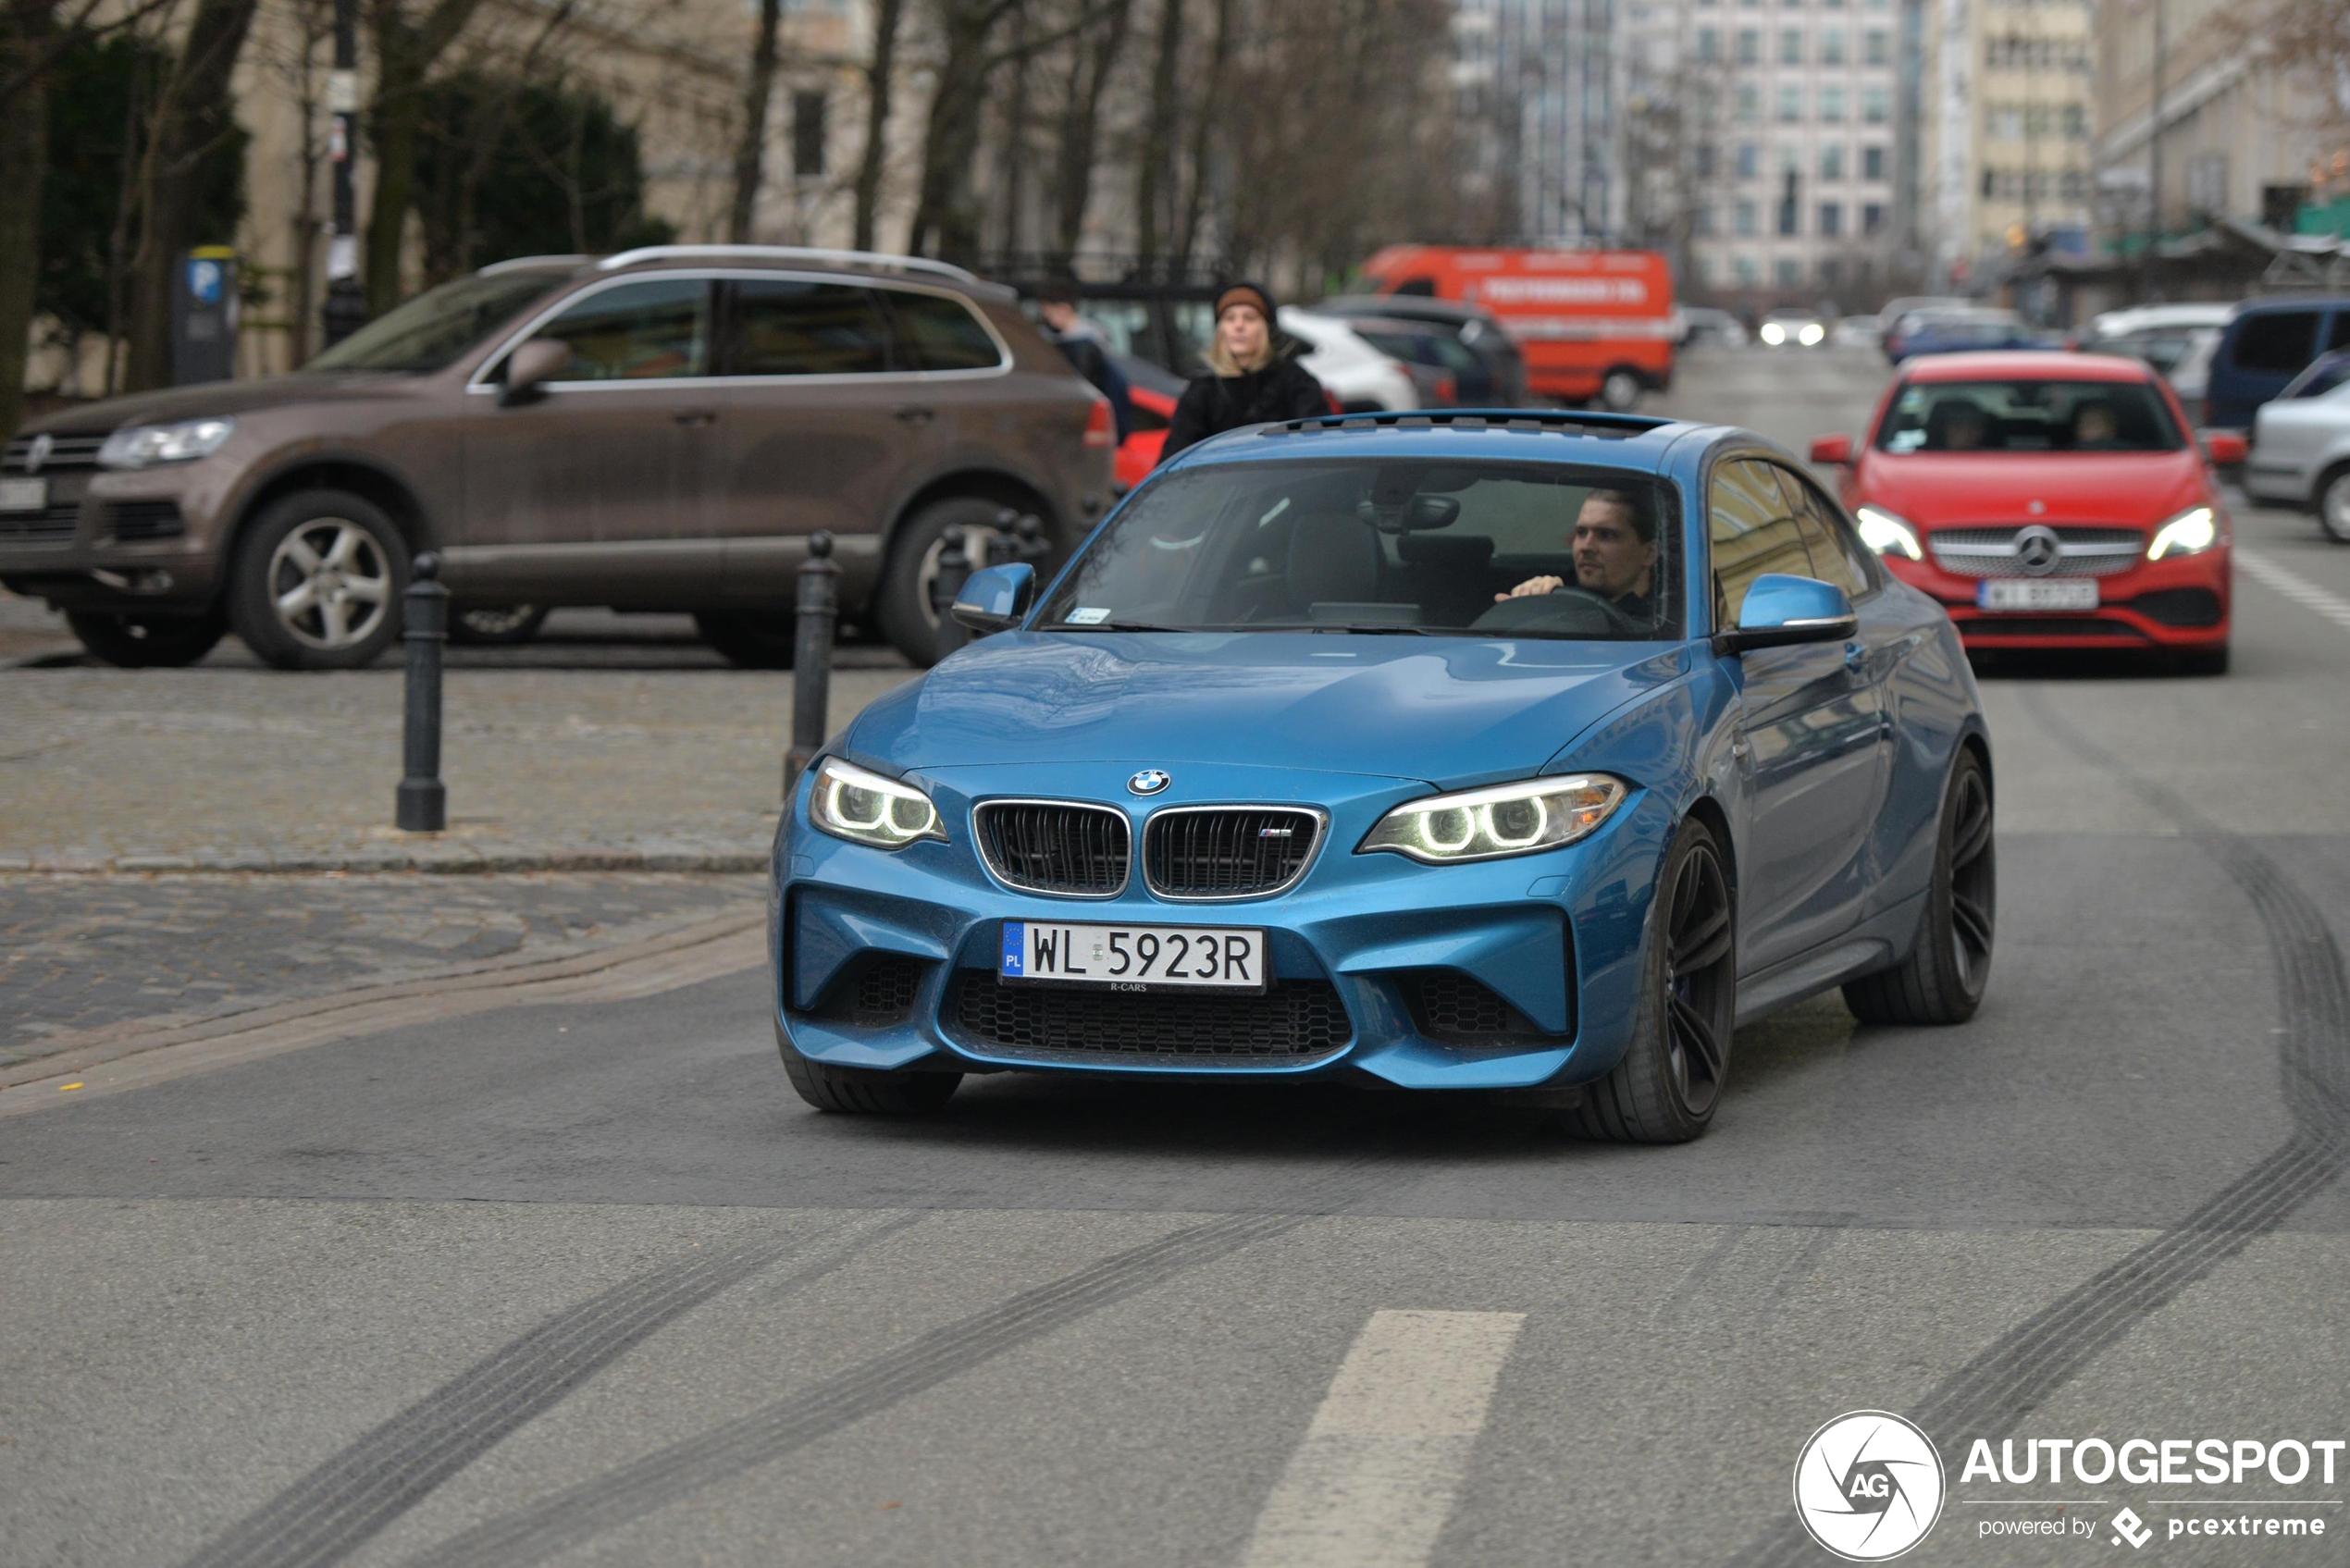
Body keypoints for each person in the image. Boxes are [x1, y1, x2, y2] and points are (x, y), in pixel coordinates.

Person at [1158, 281, 1329, 463]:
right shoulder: (1203, 390)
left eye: (1249, 318)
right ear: (1220, 329)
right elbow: (1175, 457)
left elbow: (1317, 445)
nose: (1238, 326)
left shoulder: (1296, 382)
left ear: (1267, 327)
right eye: (1229, 318)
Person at [1495, 488, 1660, 622]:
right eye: (1581, 532)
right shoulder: (1557, 592)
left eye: (1607, 535)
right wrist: (1530, 607)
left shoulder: (1666, 621)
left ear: (1649, 553)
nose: (1586, 546)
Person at [1034, 280, 1132, 441]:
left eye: (1047, 311)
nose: (1045, 316)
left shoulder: (1083, 344)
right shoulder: (1095, 337)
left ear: (1064, 309)